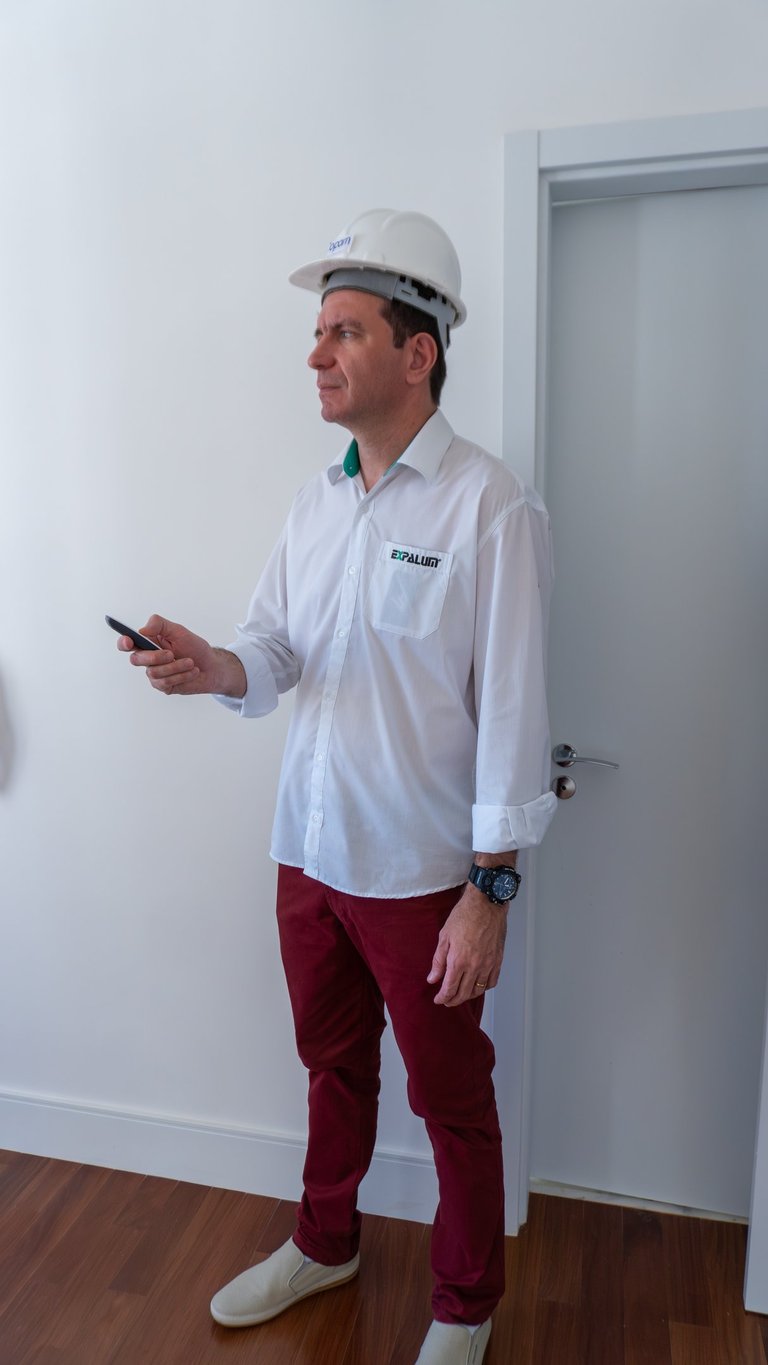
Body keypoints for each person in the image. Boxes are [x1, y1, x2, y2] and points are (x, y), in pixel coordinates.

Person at [118, 208, 556, 1365]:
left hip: (422, 877)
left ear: (418, 352)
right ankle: (326, 1243)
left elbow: (516, 715)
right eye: (318, 332)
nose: (315, 354)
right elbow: (279, 650)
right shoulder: (316, 504)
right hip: (309, 856)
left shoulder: (488, 506)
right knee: (331, 1068)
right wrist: (215, 666)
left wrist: (489, 894)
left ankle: (465, 1307)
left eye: (344, 331)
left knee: (452, 1100)